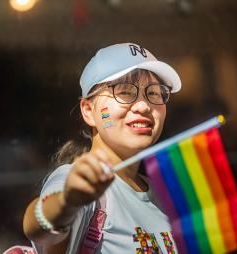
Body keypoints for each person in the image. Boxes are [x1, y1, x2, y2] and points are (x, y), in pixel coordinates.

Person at [22, 42, 182, 253]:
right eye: (125, 92)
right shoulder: (78, 181)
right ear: (88, 111)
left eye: (153, 93)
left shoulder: (163, 195)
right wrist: (67, 202)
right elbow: (36, 228)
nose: (143, 106)